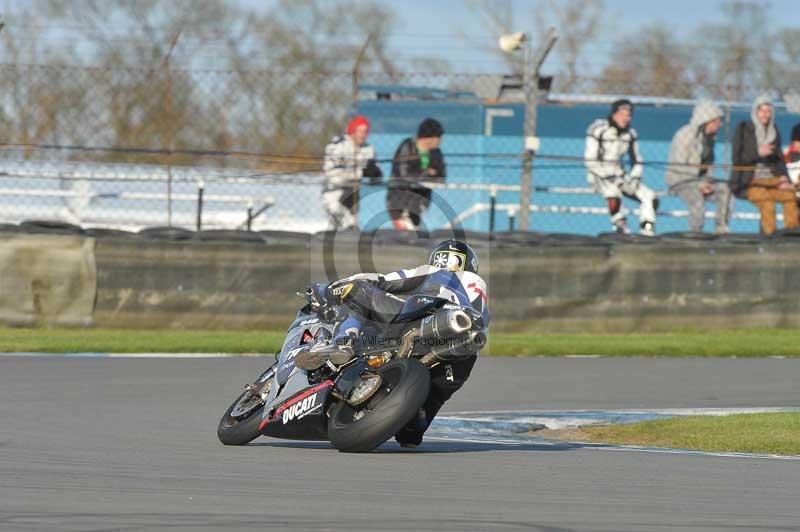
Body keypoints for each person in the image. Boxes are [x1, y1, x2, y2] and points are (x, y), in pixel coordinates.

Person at [296, 239, 488, 448]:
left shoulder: (435, 272)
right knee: (412, 433)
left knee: (359, 291)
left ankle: (344, 343)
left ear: (437, 259)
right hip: (462, 356)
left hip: (425, 317)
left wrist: (325, 290)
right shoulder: (479, 293)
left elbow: (381, 280)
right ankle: (415, 423)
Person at [585, 99, 658, 236]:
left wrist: (635, 177)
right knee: (613, 194)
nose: (625, 118)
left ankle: (647, 230)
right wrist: (607, 175)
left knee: (649, 196)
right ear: (613, 114)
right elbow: (590, 160)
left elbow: (636, 160)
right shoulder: (598, 129)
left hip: (620, 174)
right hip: (599, 174)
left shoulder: (630, 134)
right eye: (622, 114)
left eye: (629, 115)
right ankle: (620, 227)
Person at [731, 95, 798, 235]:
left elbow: (779, 160)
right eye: (762, 110)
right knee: (767, 204)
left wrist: (784, 177)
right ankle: (769, 237)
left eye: (768, 111)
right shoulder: (744, 129)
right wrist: (757, 153)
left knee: (790, 197)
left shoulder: (774, 131)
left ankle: (791, 234)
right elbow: (736, 158)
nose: (765, 115)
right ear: (755, 111)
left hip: (771, 180)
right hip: (750, 180)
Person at [665, 99, 732, 234]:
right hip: (681, 181)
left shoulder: (709, 138)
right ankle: (696, 233)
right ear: (707, 119)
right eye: (717, 121)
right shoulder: (684, 135)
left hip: (701, 182)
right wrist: (699, 185)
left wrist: (706, 182)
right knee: (697, 199)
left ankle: (721, 227)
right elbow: (680, 166)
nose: (720, 125)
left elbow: (708, 166)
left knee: (725, 189)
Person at [322, 115, 383, 230]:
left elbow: (376, 173)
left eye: (365, 131)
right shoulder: (338, 146)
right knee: (343, 226)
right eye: (359, 131)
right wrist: (360, 173)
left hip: (353, 195)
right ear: (352, 130)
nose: (362, 135)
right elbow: (331, 174)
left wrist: (375, 173)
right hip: (334, 193)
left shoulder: (368, 149)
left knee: (349, 229)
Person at [386, 118, 446, 231]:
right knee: (406, 235)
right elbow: (403, 174)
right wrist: (426, 173)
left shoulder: (436, 153)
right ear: (430, 137)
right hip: (400, 201)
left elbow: (441, 176)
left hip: (420, 203)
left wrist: (428, 176)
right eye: (439, 136)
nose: (441, 140)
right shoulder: (408, 146)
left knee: (413, 234)